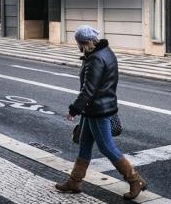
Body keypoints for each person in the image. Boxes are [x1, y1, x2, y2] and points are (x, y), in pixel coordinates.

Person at [55, 25, 147, 199]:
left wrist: (74, 109)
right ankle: (74, 181)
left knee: (107, 147)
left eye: (78, 43)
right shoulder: (105, 52)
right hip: (96, 107)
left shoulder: (96, 59)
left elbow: (89, 89)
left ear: (83, 42)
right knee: (84, 144)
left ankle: (135, 180)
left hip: (98, 109)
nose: (77, 46)